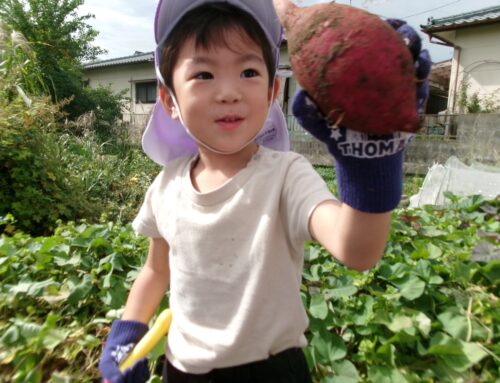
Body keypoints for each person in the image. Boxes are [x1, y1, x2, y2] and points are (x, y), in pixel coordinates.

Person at [98, 1, 431, 382]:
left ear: (273, 90)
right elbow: (156, 271)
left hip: (272, 368)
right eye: (204, 74)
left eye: (248, 71)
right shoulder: (166, 186)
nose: (228, 92)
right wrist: (126, 334)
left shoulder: (286, 175)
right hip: (183, 368)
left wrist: (372, 158)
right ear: (168, 99)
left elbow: (357, 251)